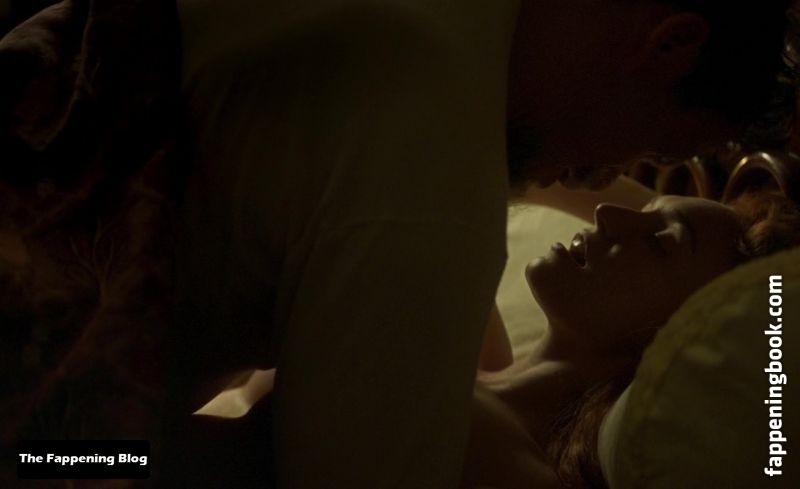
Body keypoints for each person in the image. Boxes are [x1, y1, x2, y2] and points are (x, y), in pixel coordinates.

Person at [168, 0, 793, 487]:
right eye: (647, 154)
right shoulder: (457, 314)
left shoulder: (435, 217)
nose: (605, 195)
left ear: (673, 337)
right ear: (668, 44)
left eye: (660, 242)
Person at [460, 190, 800, 488]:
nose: (605, 213)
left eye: (659, 244)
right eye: (645, 210)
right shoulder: (475, 343)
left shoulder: (510, 471)